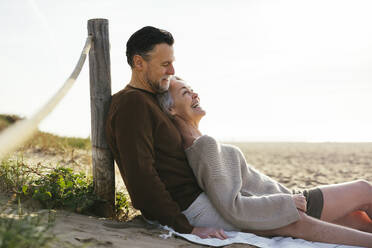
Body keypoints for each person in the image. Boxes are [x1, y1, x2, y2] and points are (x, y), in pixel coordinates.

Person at [156, 76, 372, 247]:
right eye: (185, 93)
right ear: (171, 109)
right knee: (364, 190)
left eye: (191, 89)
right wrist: (286, 204)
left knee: (360, 220)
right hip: (289, 202)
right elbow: (232, 206)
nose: (194, 93)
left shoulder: (195, 144)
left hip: (285, 198)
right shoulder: (203, 146)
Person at [105, 26, 227, 239]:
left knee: (295, 204)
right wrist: (186, 228)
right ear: (139, 63)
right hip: (189, 211)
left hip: (207, 199)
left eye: (172, 63)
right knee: (290, 218)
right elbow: (141, 176)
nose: (171, 71)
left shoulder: (154, 100)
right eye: (165, 64)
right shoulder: (132, 103)